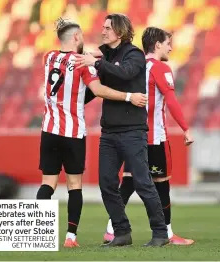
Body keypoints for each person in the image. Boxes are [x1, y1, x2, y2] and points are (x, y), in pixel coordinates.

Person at [36, 18, 148, 248]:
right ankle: (70, 238)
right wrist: (129, 96)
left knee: (47, 184)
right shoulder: (82, 65)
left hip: (49, 129)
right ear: (76, 37)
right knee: (74, 185)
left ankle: (37, 237)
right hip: (72, 132)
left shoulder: (48, 57)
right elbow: (98, 90)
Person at [74, 14, 169, 247]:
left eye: (108, 28)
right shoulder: (105, 54)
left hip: (132, 131)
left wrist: (96, 62)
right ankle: (122, 231)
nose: (103, 31)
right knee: (106, 182)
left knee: (143, 182)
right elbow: (95, 89)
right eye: (103, 27)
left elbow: (125, 73)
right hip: (110, 132)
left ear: (120, 31)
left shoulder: (134, 54)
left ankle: (160, 233)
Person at [102, 27, 195, 246]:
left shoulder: (133, 66)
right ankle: (168, 233)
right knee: (161, 184)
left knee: (129, 183)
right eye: (168, 43)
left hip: (131, 135)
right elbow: (170, 100)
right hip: (154, 138)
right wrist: (185, 128)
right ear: (157, 45)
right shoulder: (160, 68)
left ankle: (111, 229)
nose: (171, 47)